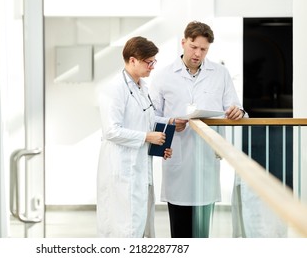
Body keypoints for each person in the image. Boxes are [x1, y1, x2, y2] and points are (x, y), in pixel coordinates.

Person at [149, 21, 246, 238]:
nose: (198, 53)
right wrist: (171, 121)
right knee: (180, 232)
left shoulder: (220, 73)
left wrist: (237, 111)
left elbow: (236, 107)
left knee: (202, 234)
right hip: (178, 161)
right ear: (183, 43)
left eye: (203, 49)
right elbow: (150, 117)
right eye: (193, 47)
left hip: (206, 162)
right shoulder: (164, 76)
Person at [97, 36, 172, 238]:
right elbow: (111, 130)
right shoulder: (114, 88)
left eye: (153, 61)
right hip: (123, 168)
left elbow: (145, 118)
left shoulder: (141, 88)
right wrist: (148, 137)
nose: (153, 67)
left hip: (139, 166)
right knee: (125, 228)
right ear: (133, 60)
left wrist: (169, 124)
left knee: (139, 226)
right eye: (149, 62)